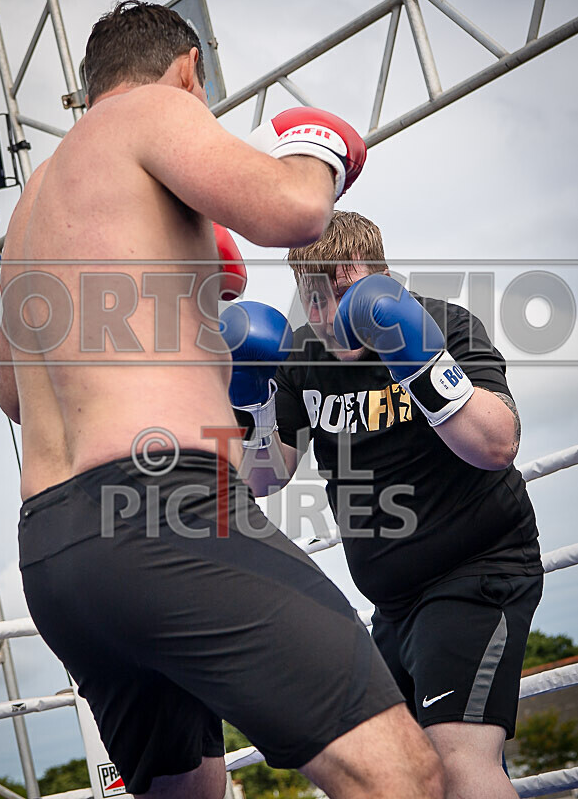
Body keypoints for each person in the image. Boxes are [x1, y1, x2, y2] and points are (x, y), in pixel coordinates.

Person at [0, 3, 444, 798]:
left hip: (56, 552)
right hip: (162, 513)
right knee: (399, 774)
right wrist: (316, 150)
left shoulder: (31, 209)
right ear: (188, 71)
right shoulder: (153, 109)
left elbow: (12, 395)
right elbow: (293, 210)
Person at [229, 210, 543, 799]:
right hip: (393, 604)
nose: (328, 317)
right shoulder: (301, 358)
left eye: (344, 296)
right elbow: (266, 478)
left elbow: (498, 444)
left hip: (477, 573)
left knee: (458, 762)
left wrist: (421, 365)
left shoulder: (442, 324)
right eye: (312, 299)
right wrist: (258, 413)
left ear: (383, 282)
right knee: (391, 772)